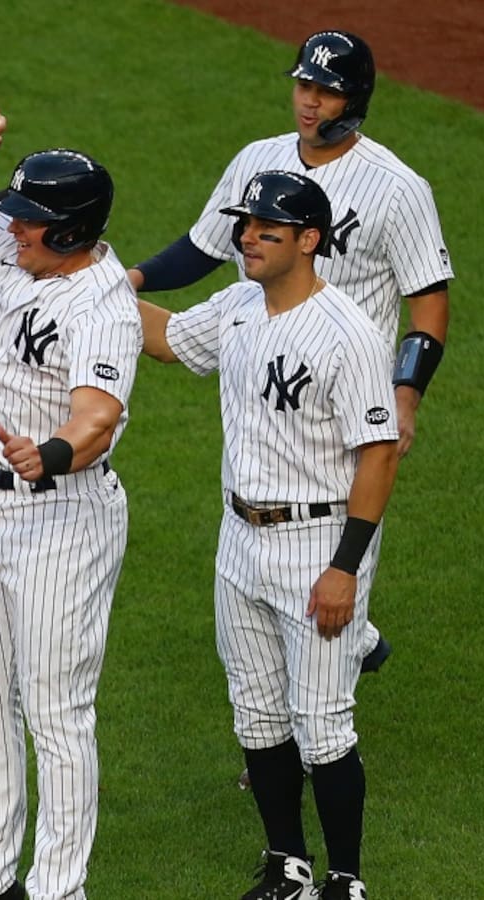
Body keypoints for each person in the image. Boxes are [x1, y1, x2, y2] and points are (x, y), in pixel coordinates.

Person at [129, 29, 454, 692]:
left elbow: (429, 305)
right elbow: (201, 250)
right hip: (266, 373)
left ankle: (319, 725)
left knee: (331, 560)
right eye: (304, 85)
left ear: (354, 99)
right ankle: (297, 708)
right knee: (262, 546)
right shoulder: (261, 160)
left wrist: (406, 394)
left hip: (345, 392)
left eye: (326, 91)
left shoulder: (397, 188)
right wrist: (127, 281)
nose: (309, 102)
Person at [138, 169, 399, 900]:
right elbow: (165, 339)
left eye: (266, 230)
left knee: (322, 727)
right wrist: (93, 290)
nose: (247, 237)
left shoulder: (348, 334)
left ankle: (346, 880)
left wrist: (346, 567)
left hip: (318, 544)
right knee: (255, 711)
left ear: (309, 241)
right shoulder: (237, 306)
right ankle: (288, 865)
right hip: (239, 539)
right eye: (245, 225)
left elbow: (378, 454)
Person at [0, 100, 141, 900]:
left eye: (31, 222)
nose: (11, 229)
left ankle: (57, 890)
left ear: (72, 233)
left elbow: (98, 419)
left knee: (54, 712)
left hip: (62, 521)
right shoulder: (15, 255)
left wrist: (44, 455)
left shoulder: (102, 303)